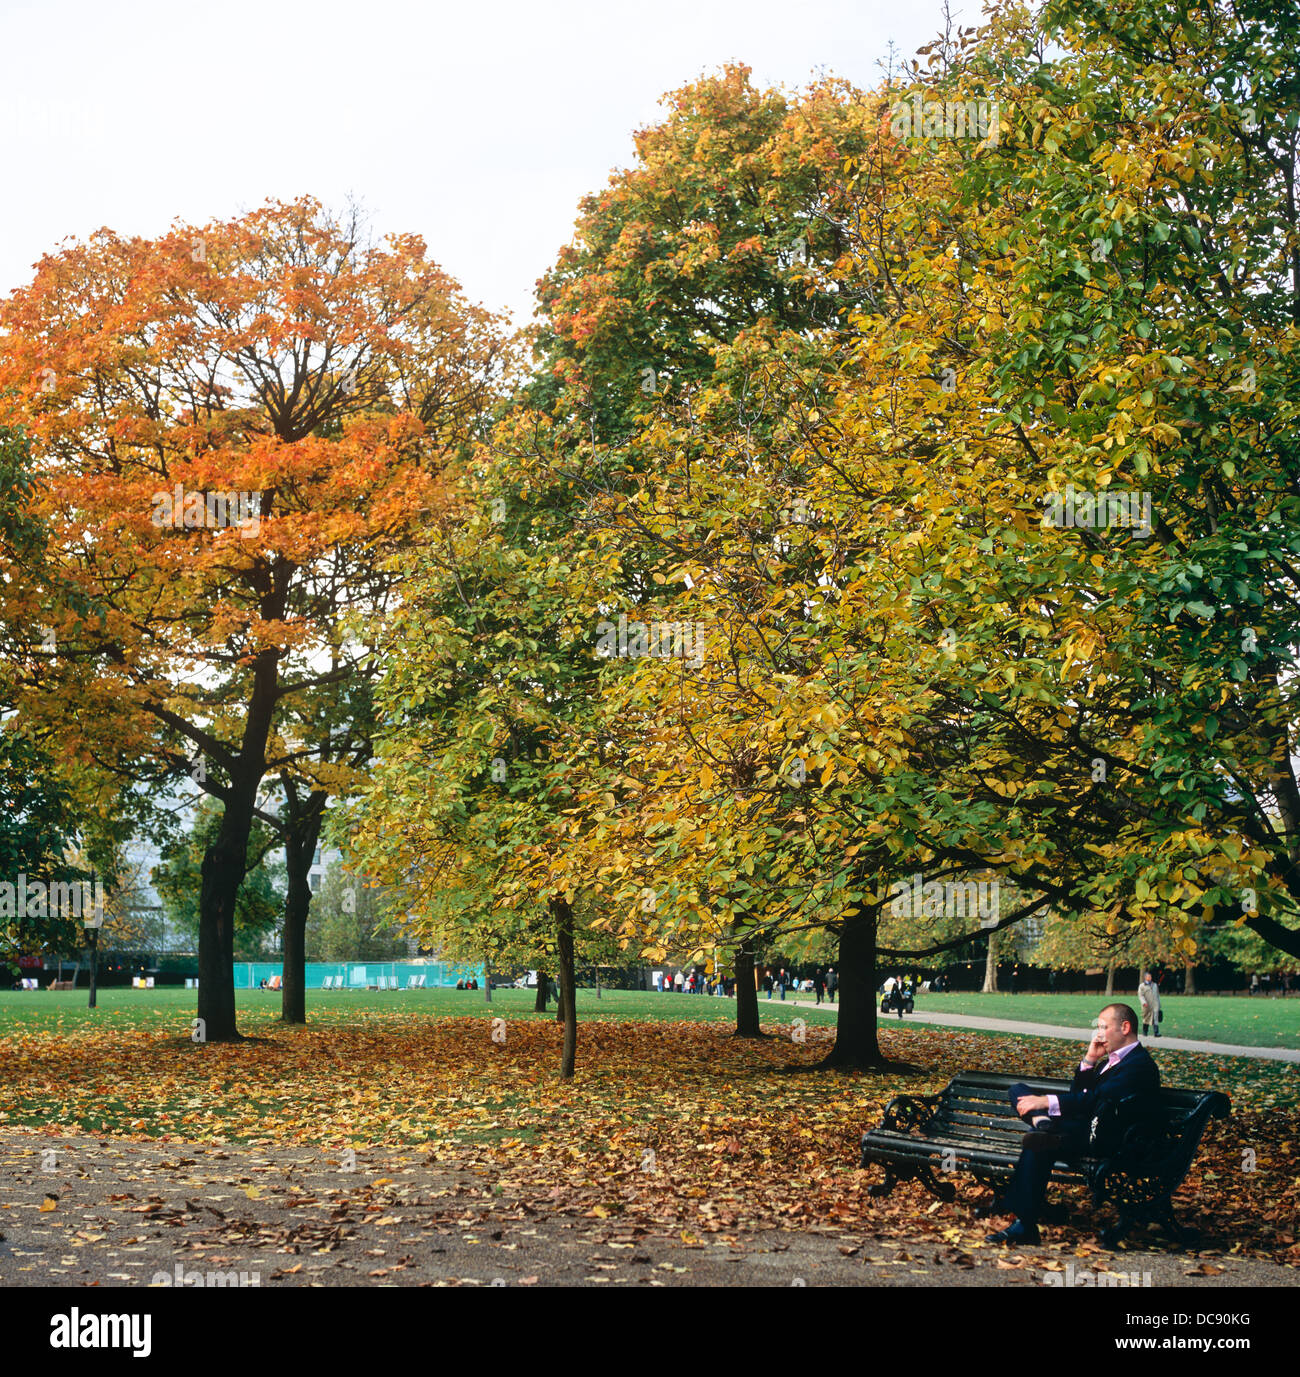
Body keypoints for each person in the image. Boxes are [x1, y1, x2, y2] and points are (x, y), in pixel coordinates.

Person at [986, 1003, 1160, 1245]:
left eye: (1103, 1027)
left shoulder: (1139, 1065)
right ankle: (1042, 1124)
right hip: (1080, 1128)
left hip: (1109, 1139)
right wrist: (1089, 1060)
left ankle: (1024, 1224)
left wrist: (1045, 1101)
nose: (1099, 1034)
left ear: (1125, 1027)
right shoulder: (1110, 1061)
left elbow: (1093, 1100)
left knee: (1039, 1142)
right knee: (1018, 1090)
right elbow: (1079, 1093)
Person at [1138, 970, 1161, 1038]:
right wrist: (1143, 1002)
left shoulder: (1155, 985)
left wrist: (1159, 1005)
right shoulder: (1142, 986)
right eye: (1148, 976)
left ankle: (1156, 1032)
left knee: (1155, 1018)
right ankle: (1145, 1032)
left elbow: (1157, 995)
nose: (1149, 978)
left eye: (1150, 976)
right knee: (1146, 1018)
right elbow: (1140, 995)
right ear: (1145, 977)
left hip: (1155, 1005)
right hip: (1147, 1005)